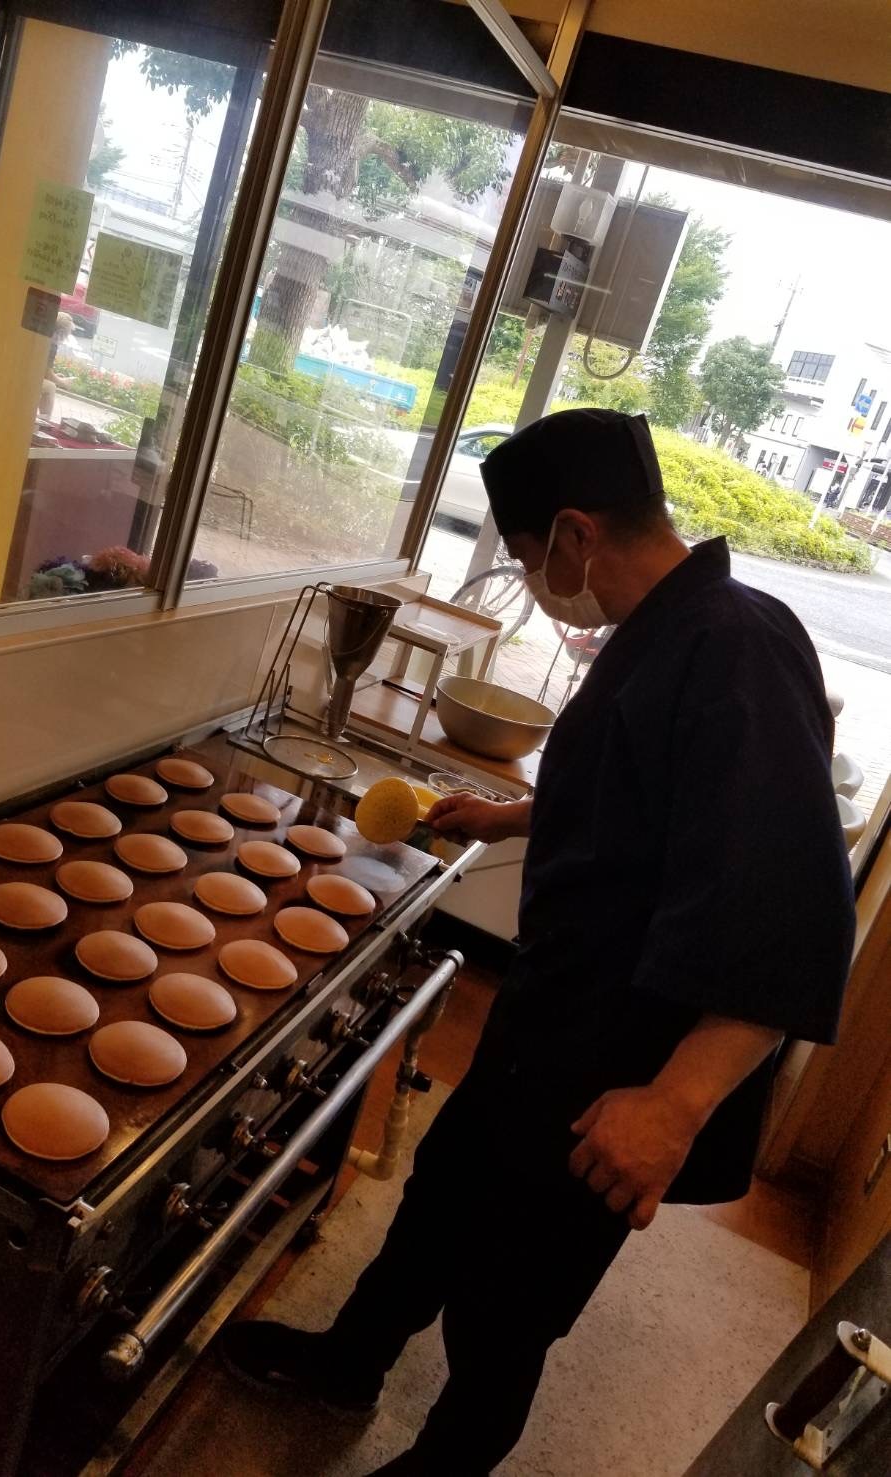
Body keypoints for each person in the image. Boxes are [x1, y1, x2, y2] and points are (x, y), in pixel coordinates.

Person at [221, 407, 855, 1476]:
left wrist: (673, 1103)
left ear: (570, 533)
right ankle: (350, 1360)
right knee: (443, 1192)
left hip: (621, 1059)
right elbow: (641, 797)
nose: (528, 575)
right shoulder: (663, 630)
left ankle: (447, 1463)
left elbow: (792, 907)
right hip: (549, 1021)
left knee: (511, 1297)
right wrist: (513, 816)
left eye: (520, 554)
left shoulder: (734, 647)